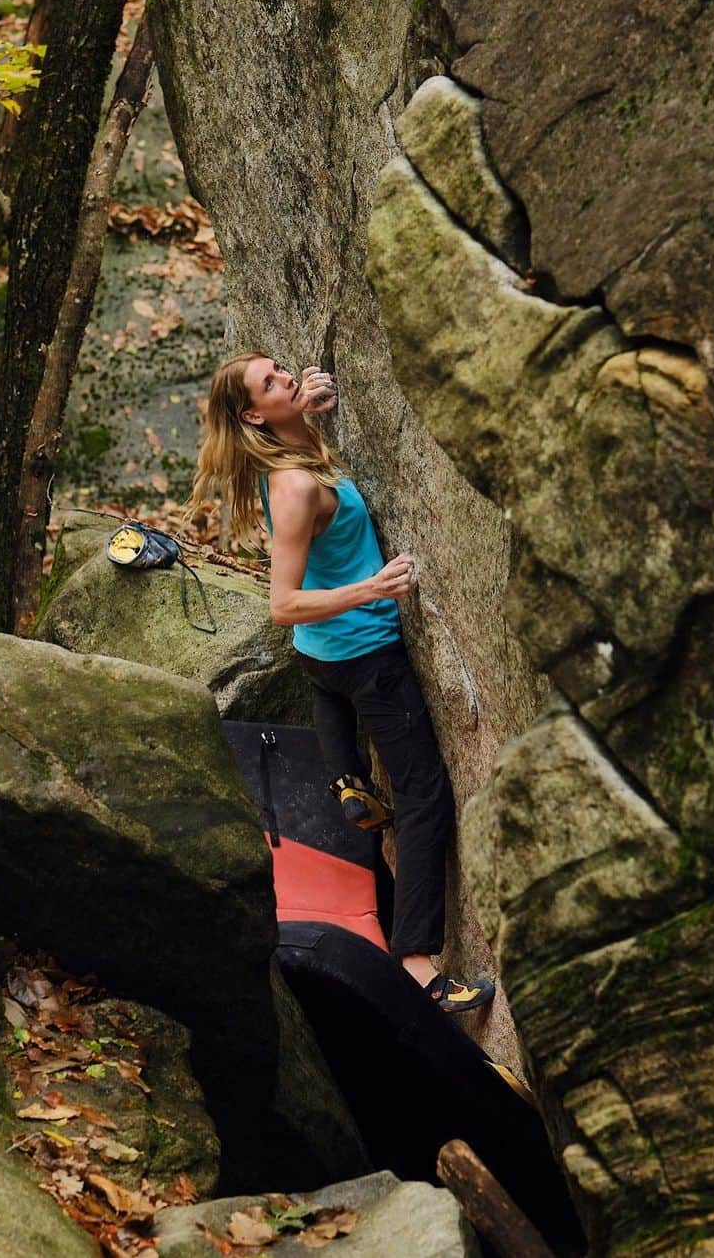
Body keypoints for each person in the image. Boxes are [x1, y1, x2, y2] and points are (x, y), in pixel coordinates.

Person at [189, 350, 494, 1013]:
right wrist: (374, 588)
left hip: (324, 661)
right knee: (425, 797)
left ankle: (346, 777)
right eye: (271, 383)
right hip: (364, 656)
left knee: (359, 749)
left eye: (281, 369)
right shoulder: (293, 487)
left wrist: (311, 405)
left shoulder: (298, 446)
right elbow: (281, 604)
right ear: (252, 415)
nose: (286, 378)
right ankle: (417, 964)